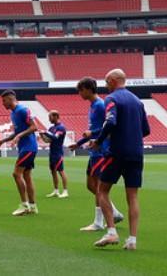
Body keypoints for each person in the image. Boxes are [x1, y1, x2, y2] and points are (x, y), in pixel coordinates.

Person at [91, 69, 150, 251]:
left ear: (114, 80)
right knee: (132, 196)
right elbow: (146, 130)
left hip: (117, 152)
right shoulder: (138, 101)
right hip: (136, 153)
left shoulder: (112, 99)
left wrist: (99, 141)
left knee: (101, 190)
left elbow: (110, 121)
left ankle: (111, 232)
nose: (106, 85)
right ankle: (132, 239)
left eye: (107, 81)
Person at [71, 77, 123, 232]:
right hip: (94, 151)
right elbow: (93, 129)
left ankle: (99, 222)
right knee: (90, 185)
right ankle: (114, 212)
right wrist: (78, 143)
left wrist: (92, 133)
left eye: (80, 90)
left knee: (99, 188)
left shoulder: (100, 105)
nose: (79, 93)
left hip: (102, 151)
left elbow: (107, 127)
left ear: (88, 89)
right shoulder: (93, 106)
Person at [0, 89, 39, 216]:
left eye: (4, 101)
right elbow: (17, 131)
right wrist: (3, 140)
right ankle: (33, 206)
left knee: (16, 174)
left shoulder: (22, 110)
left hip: (29, 147)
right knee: (27, 177)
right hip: (24, 148)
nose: (3, 104)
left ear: (10, 99)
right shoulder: (13, 114)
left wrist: (19, 136)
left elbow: (34, 127)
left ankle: (24, 205)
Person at [40, 110, 69, 198]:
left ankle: (65, 191)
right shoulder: (51, 128)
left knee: (61, 171)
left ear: (56, 116)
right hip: (52, 152)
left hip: (58, 153)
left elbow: (55, 138)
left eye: (50, 117)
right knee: (53, 171)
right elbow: (48, 140)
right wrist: (41, 135)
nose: (49, 119)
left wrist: (45, 132)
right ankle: (56, 190)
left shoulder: (61, 127)